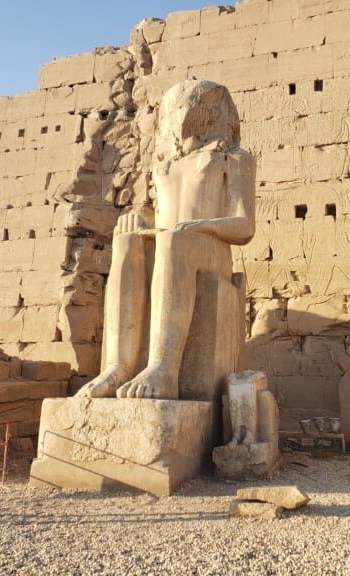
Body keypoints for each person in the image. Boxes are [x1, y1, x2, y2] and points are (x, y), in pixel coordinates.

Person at [76, 79, 256, 400]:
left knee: (175, 240)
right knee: (127, 242)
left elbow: (244, 226)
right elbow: (158, 218)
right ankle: (119, 364)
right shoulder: (164, 164)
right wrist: (138, 221)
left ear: (214, 110)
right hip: (176, 240)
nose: (184, 113)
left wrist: (204, 225)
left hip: (211, 247)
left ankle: (164, 368)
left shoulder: (234, 157)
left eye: (195, 104)